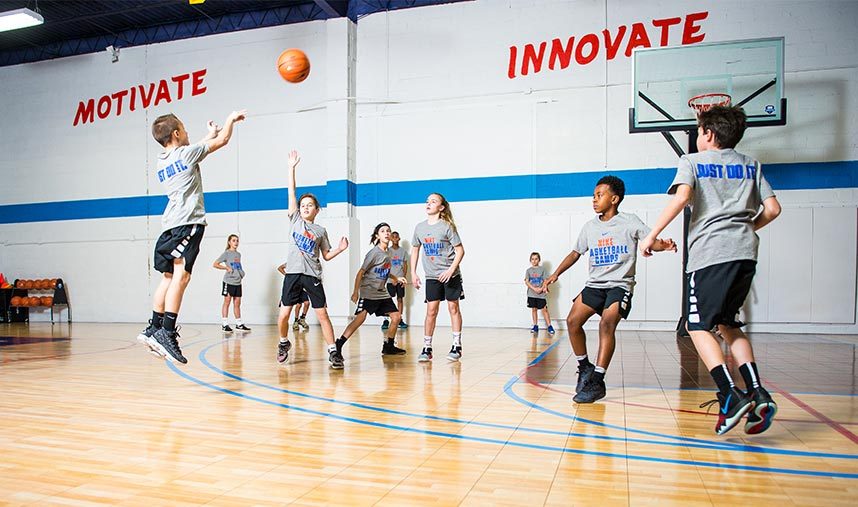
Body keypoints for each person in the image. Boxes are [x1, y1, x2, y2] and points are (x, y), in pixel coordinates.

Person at [640, 105, 781, 435]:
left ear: (708, 134)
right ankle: (757, 390)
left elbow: (681, 197)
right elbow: (773, 209)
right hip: (745, 254)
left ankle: (729, 394)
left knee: (696, 325)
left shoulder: (692, 161)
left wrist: (651, 235)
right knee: (728, 323)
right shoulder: (751, 165)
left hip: (710, 254)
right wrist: (746, 230)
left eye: (700, 131)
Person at [545, 176, 676, 403]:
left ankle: (597, 380)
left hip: (619, 285)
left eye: (599, 195)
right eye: (594, 196)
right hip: (595, 285)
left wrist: (662, 246)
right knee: (573, 321)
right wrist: (556, 274)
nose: (594, 200)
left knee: (607, 323)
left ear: (614, 199)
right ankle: (585, 367)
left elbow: (649, 240)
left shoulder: (629, 221)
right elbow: (575, 253)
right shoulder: (590, 227)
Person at [136, 110, 246, 364]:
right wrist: (230, 120)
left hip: (169, 227)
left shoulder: (162, 161)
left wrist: (208, 134)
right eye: (184, 129)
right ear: (176, 133)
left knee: (168, 277)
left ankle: (153, 326)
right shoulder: (186, 153)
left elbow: (194, 148)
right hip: (188, 224)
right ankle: (166, 330)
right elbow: (222, 142)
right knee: (182, 277)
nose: (187, 132)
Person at [276, 150, 349, 369]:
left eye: (310, 205)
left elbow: (325, 255)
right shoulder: (295, 220)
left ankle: (333, 351)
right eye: (303, 204)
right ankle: (283, 342)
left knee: (322, 314)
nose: (305, 207)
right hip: (292, 274)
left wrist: (339, 249)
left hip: (312, 275)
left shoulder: (320, 230)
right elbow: (291, 193)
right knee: (284, 315)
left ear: (317, 210)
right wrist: (291, 168)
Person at [335, 223, 408, 357]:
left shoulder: (389, 252)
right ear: (377, 236)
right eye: (382, 231)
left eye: (388, 231)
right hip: (369, 291)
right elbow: (360, 272)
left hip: (382, 292)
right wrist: (355, 292)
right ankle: (338, 344)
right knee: (360, 319)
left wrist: (396, 278)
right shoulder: (374, 253)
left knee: (396, 317)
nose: (386, 233)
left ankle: (388, 346)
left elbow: (384, 271)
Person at [411, 193, 465, 362]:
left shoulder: (447, 226)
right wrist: (413, 272)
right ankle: (427, 348)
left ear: (441, 207)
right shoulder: (419, 227)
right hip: (431, 276)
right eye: (427, 200)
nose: (428, 203)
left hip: (450, 274)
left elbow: (460, 250)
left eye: (433, 201)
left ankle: (457, 345)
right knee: (431, 311)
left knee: (453, 308)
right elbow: (415, 250)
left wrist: (450, 270)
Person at [213, 234, 250, 332]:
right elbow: (215, 264)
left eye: (237, 240)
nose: (236, 242)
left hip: (238, 282)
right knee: (227, 302)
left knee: (237, 303)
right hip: (228, 281)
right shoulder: (226, 253)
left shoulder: (238, 254)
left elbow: (238, 266)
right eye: (234, 240)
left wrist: (242, 273)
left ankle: (239, 324)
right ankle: (225, 324)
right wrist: (226, 268)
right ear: (229, 242)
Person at [382, 231, 409, 330]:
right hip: (390, 280)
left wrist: (403, 278)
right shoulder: (387, 251)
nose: (394, 238)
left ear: (398, 238)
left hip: (400, 279)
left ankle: (399, 319)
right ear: (390, 239)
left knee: (400, 299)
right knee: (387, 300)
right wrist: (393, 278)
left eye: (396, 237)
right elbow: (385, 266)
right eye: (392, 237)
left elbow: (405, 266)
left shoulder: (403, 252)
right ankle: (386, 320)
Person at [525, 252, 554, 334]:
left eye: (536, 259)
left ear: (539, 260)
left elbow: (546, 281)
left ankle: (549, 326)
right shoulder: (528, 271)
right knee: (534, 309)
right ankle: (535, 326)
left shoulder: (543, 270)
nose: (534, 261)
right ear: (530, 260)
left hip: (541, 294)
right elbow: (527, 282)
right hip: (532, 294)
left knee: (544, 309)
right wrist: (534, 289)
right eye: (532, 259)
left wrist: (541, 289)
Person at [277, 262, 310, 331]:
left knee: (307, 303)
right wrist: (287, 276)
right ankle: (296, 321)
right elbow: (280, 268)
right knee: (298, 305)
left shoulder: (303, 263)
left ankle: (302, 319)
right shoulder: (290, 262)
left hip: (302, 286)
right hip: (294, 286)